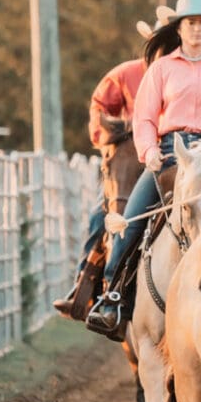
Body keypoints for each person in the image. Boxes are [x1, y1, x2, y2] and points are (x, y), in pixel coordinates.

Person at [86, 0, 201, 334]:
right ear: (178, 28)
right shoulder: (162, 69)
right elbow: (145, 118)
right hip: (170, 152)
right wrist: (149, 152)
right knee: (130, 220)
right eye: (191, 23)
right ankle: (113, 297)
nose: (197, 28)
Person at [53, 19, 154, 317]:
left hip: (165, 157)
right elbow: (99, 107)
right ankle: (84, 287)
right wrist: (114, 135)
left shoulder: (186, 75)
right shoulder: (126, 74)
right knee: (102, 215)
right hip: (128, 158)